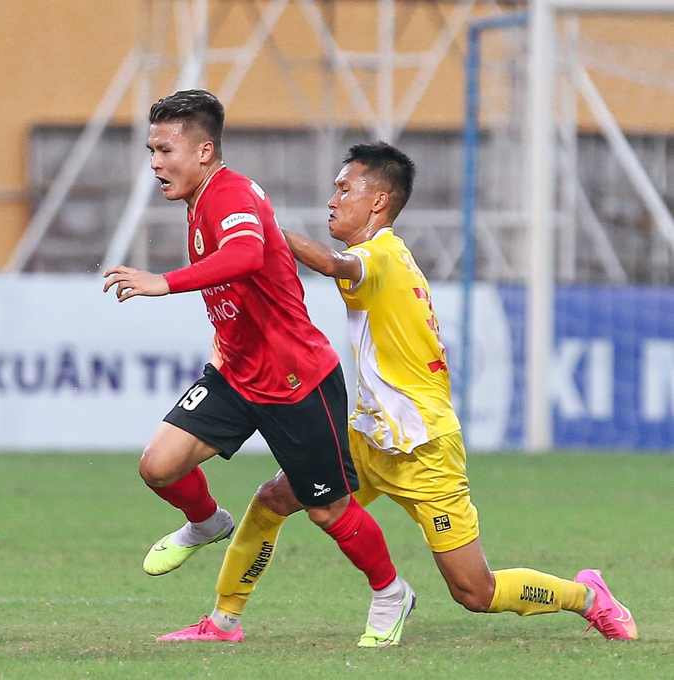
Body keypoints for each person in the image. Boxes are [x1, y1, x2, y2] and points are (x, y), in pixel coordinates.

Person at [219, 141, 635, 642]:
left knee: (474, 593)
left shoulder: (382, 256)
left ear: (378, 202)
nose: (332, 200)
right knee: (273, 497)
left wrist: (256, 225)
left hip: (425, 448)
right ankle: (223, 621)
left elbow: (332, 264)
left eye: (344, 189)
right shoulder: (378, 256)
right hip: (370, 439)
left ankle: (588, 597)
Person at [102, 90, 414, 646]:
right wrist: (223, 342)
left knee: (328, 511)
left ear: (204, 151)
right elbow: (242, 285)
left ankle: (390, 592)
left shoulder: (231, 194)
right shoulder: (199, 200)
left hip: (295, 380)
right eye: (150, 150)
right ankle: (206, 523)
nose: (154, 163)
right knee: (159, 465)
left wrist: (161, 282)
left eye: (164, 150)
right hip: (237, 371)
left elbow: (245, 255)